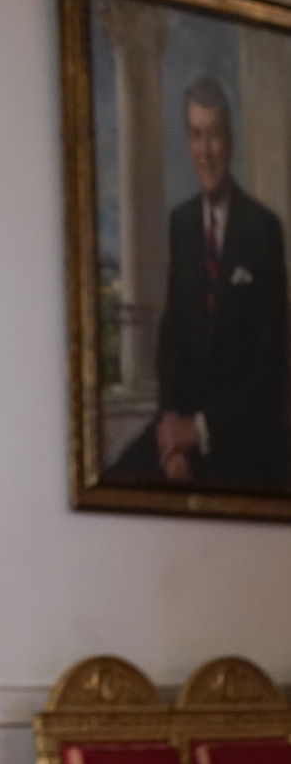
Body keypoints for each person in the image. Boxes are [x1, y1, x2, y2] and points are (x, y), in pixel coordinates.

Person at [110, 75, 287, 490]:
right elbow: (172, 342)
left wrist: (201, 430)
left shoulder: (262, 229)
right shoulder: (182, 223)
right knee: (117, 479)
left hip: (239, 438)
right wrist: (173, 440)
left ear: (230, 140)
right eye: (195, 135)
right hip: (182, 432)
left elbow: (269, 369)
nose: (205, 152)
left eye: (214, 136)